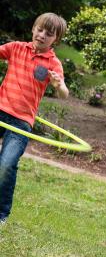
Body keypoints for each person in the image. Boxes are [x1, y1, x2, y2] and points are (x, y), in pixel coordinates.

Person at [0, 13, 69, 226]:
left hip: (22, 122)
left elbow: (64, 94)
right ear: (33, 28)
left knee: (7, 165)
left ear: (55, 39)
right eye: (40, 30)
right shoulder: (16, 48)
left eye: (49, 34)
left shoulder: (53, 64)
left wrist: (58, 85)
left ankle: (1, 213)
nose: (42, 35)